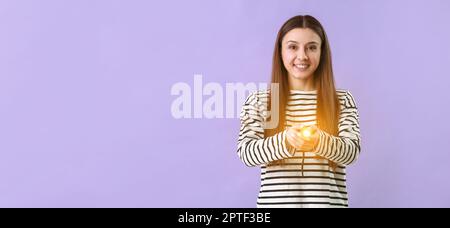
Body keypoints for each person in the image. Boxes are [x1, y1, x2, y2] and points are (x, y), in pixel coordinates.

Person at [237, 15, 361, 208]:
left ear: (322, 52)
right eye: (293, 47)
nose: (302, 56)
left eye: (311, 47)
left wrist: (319, 141)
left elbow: (351, 153)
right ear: (280, 51)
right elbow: (246, 153)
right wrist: (285, 140)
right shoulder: (260, 101)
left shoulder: (342, 100)